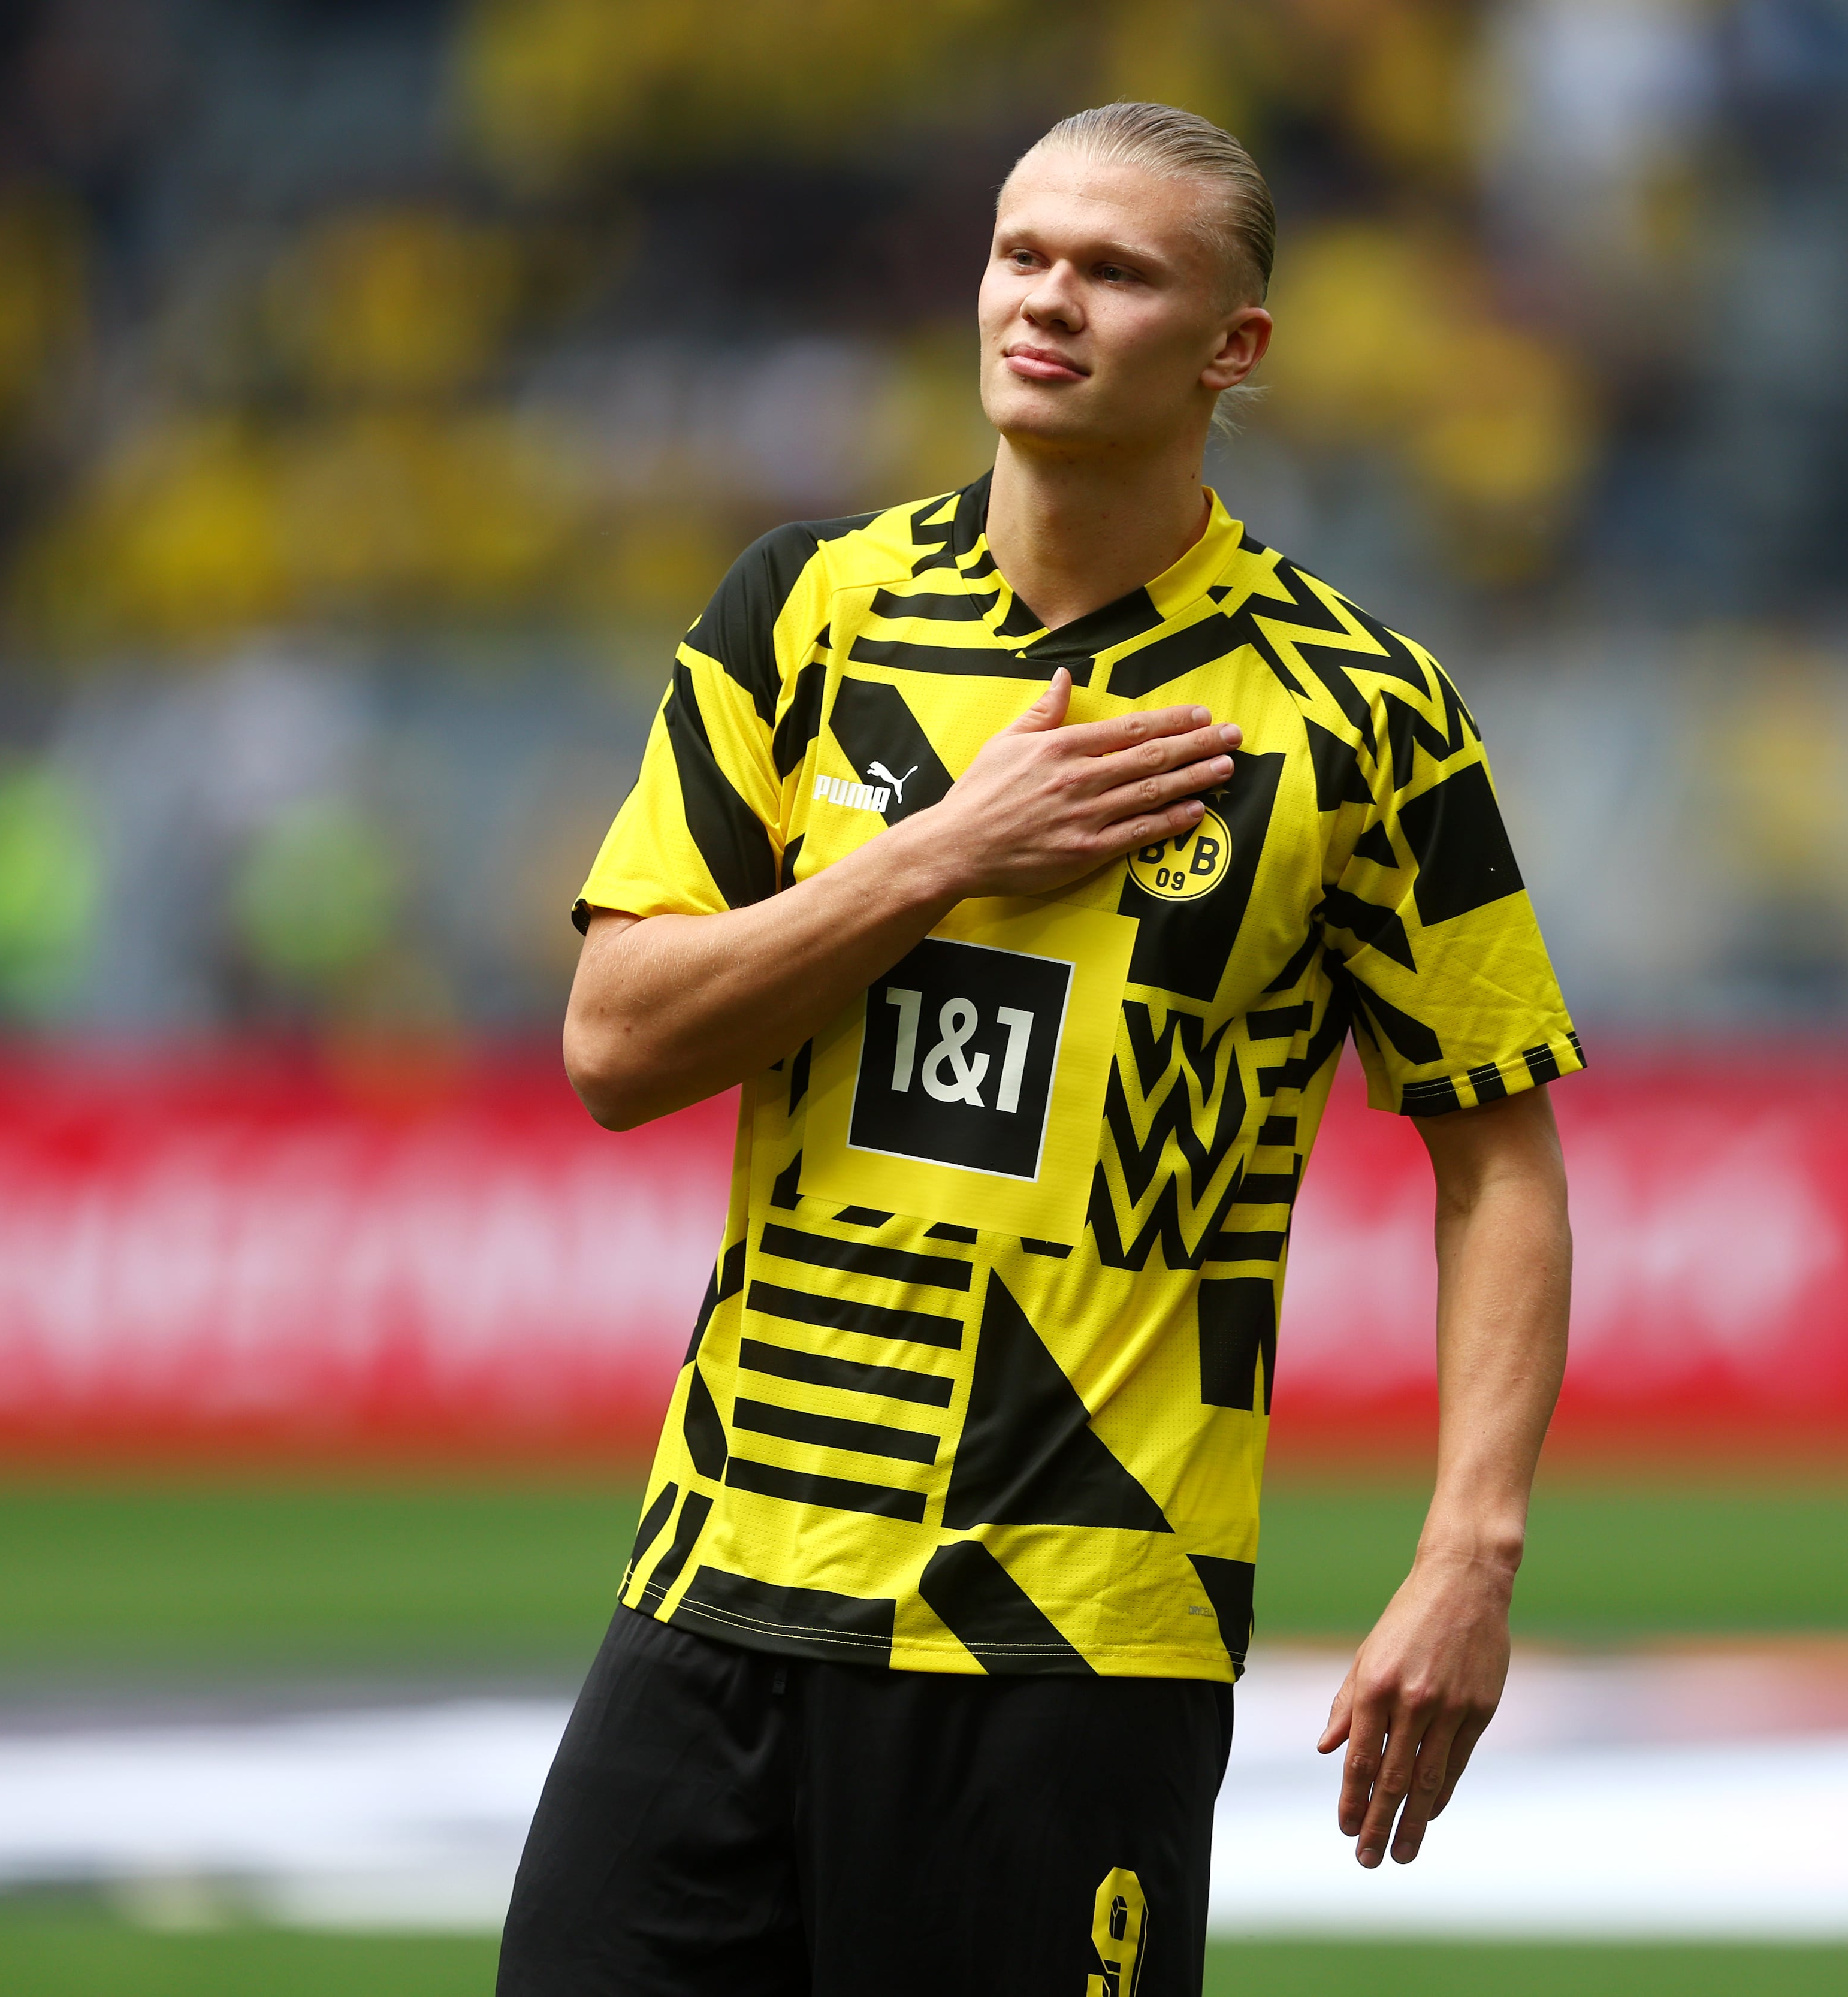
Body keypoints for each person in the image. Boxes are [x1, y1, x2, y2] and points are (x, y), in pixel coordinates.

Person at [502, 100, 1578, 1997]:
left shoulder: (1361, 715)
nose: (1049, 301)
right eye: (1023, 254)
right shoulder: (808, 616)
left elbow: (1499, 1156)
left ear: (1232, 346)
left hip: (1081, 1627)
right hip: (724, 1580)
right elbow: (615, 1039)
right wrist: (942, 856)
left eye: (1116, 269)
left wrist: (1468, 1552)